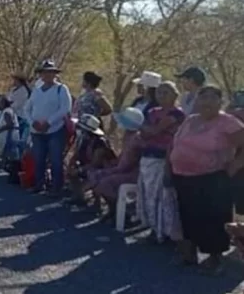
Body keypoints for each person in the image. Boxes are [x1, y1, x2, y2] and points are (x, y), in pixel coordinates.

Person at [169, 85, 244, 274]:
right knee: (189, 215)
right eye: (203, 97)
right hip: (183, 175)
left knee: (213, 219)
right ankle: (190, 253)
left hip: (213, 177)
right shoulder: (190, 120)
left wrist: (236, 164)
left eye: (212, 98)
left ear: (220, 102)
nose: (207, 102)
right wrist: (168, 168)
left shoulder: (227, 122)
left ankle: (215, 258)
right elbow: (176, 143)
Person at [136, 80, 184, 245]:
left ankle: (168, 232)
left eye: (166, 92)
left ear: (175, 95)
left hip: (164, 156)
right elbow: (144, 134)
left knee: (163, 195)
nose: (162, 96)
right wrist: (144, 130)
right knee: (148, 194)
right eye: (159, 92)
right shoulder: (152, 111)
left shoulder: (177, 114)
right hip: (148, 155)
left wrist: (140, 126)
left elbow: (154, 131)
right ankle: (153, 228)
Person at [87, 107, 144, 222]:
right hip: (125, 169)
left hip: (133, 173)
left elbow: (126, 165)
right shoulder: (129, 136)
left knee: (104, 181)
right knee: (96, 174)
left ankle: (122, 212)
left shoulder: (135, 139)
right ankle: (112, 209)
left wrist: (108, 170)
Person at [24, 60, 72, 196]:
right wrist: (32, 122)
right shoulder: (36, 91)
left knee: (56, 159)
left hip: (55, 130)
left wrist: (49, 122)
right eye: (45, 72)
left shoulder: (61, 89)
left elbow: (65, 108)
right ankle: (39, 184)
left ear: (55, 74)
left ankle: (57, 188)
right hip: (36, 130)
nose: (47, 75)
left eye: (51, 72)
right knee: (38, 158)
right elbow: (27, 108)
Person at [66, 114, 115, 206]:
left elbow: (95, 163)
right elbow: (76, 154)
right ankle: (79, 196)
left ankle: (98, 203)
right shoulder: (84, 139)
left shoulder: (100, 143)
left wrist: (79, 170)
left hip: (103, 168)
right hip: (88, 166)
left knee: (91, 174)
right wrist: (70, 166)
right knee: (72, 172)